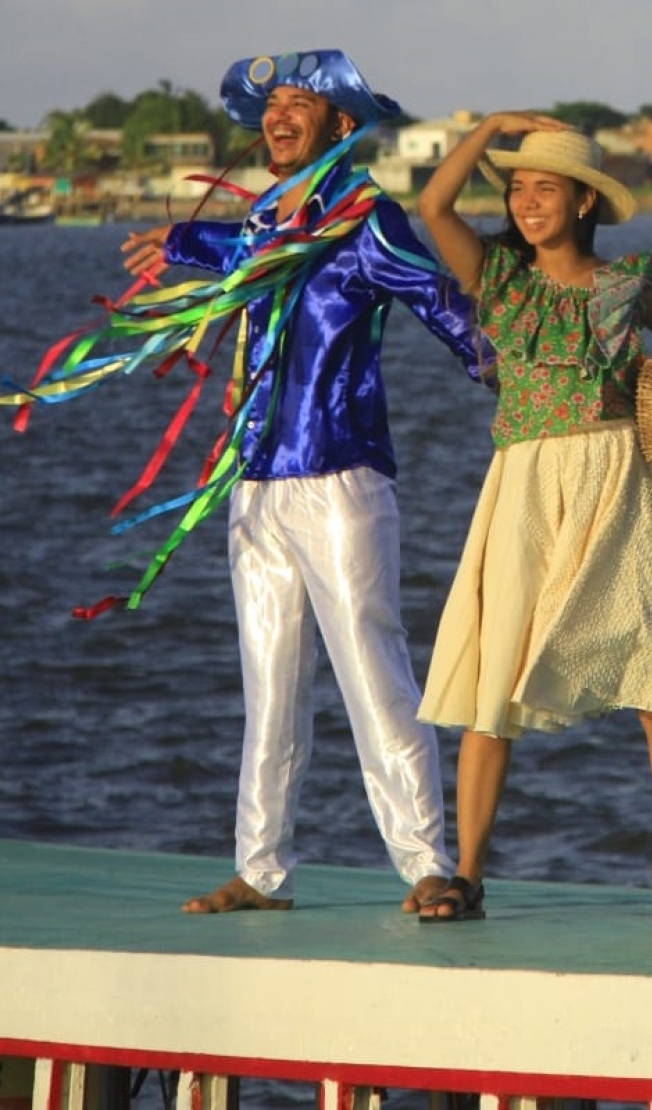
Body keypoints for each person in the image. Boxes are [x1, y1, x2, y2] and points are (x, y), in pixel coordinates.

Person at [120, 49, 489, 914]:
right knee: (270, 680)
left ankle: (427, 863)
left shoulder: (367, 218)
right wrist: (175, 239)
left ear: (337, 123)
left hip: (340, 478)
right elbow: (241, 251)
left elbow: (437, 301)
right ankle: (260, 867)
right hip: (254, 483)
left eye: (300, 104)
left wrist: (509, 365)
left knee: (373, 671)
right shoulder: (266, 223)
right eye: (272, 105)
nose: (280, 117)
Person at [413, 113, 652, 921]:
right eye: (517, 187)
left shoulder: (630, 282)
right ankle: (466, 873)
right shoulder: (498, 277)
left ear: (584, 202)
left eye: (546, 188)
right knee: (490, 680)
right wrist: (491, 128)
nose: (527, 201)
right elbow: (434, 206)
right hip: (525, 484)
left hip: (620, 483)